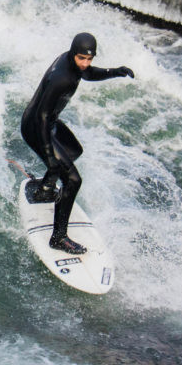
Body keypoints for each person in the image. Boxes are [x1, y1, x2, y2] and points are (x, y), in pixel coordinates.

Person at [21, 32, 135, 255]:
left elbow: (89, 73)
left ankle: (45, 189)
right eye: (81, 58)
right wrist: (50, 157)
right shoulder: (61, 78)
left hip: (48, 123)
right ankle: (59, 238)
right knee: (72, 180)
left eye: (89, 58)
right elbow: (41, 117)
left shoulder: (72, 63)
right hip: (37, 127)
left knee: (73, 150)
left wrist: (116, 72)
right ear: (73, 53)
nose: (85, 63)